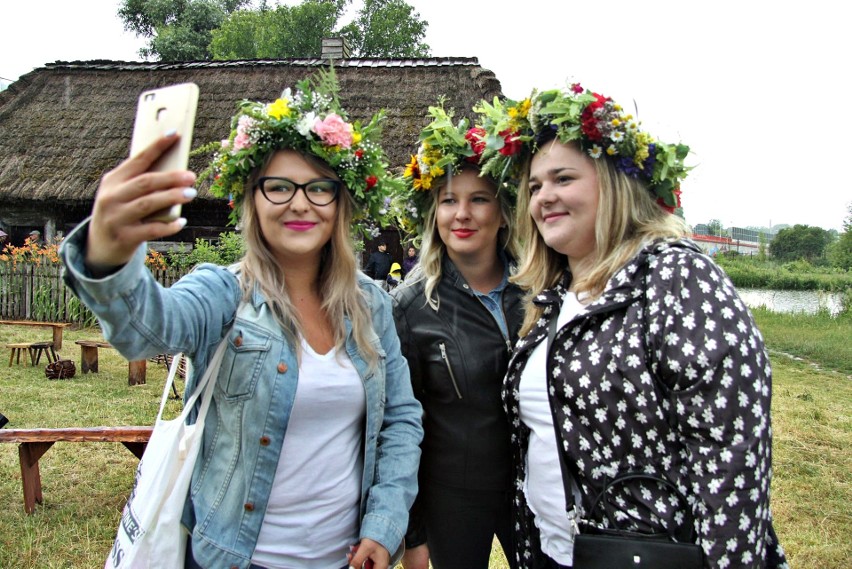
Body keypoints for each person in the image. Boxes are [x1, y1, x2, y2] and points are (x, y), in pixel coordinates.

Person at [59, 70, 423, 569]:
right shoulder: (223, 292)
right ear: (252, 199)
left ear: (340, 204)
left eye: (319, 188)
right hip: (234, 558)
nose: (299, 203)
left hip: (344, 560)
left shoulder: (369, 305)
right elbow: (147, 330)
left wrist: (384, 526)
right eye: (278, 187)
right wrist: (110, 256)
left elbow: (401, 418)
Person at [475, 86, 788, 568]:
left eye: (563, 178)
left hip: (648, 555)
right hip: (552, 552)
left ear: (612, 182)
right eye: (534, 187)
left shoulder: (675, 277)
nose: (544, 198)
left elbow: (732, 456)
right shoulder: (555, 297)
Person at [391, 104, 523, 569]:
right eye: (449, 200)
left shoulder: (542, 293)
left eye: (479, 199)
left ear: (503, 213)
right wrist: (415, 535)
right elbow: (399, 425)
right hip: (452, 496)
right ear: (434, 213)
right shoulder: (409, 308)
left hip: (535, 490)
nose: (462, 214)